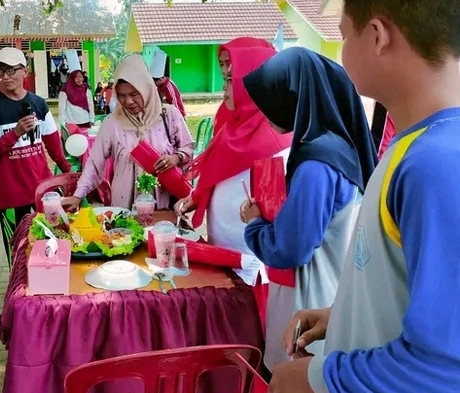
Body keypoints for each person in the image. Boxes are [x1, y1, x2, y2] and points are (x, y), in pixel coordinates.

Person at [269, 0, 460, 392]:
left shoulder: (436, 163)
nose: (339, 50)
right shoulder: (414, 146)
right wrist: (345, 317)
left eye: (342, 34)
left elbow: (444, 368)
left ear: (376, 36)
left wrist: (312, 380)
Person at [239, 46, 377, 375]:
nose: (265, 112)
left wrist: (255, 225)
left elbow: (291, 247)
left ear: (294, 98)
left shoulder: (317, 164)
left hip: (306, 312)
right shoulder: (339, 148)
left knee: (293, 378)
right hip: (329, 294)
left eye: (271, 100)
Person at [175, 38, 291, 301]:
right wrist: (196, 198)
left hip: (251, 265)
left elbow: (273, 214)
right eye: (224, 75)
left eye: (231, 79)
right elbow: (219, 172)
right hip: (224, 253)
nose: (223, 87)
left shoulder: (273, 140)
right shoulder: (232, 123)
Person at [62, 54, 194, 211]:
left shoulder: (169, 115)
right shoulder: (112, 123)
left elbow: (188, 147)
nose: (128, 102)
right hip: (124, 205)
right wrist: (78, 195)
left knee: (160, 235)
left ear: (146, 89)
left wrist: (176, 158)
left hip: (164, 203)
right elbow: (94, 163)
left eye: (134, 94)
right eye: (122, 96)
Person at [0, 47, 71, 266]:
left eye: (11, 70)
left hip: (44, 190)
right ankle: (19, 293)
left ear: (24, 72)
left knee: (54, 240)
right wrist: (15, 133)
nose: (5, 77)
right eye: (0, 72)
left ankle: (51, 287)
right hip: (11, 194)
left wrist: (68, 172)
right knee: (18, 249)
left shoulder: (38, 104)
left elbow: (53, 144)